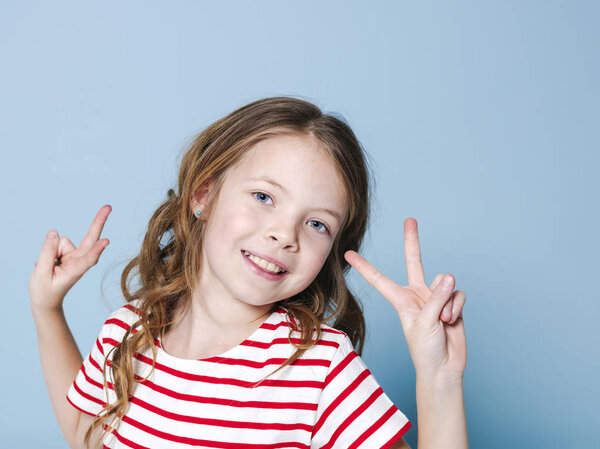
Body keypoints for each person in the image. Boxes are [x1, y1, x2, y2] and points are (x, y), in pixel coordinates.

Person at [29, 96, 468, 449]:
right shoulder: (128, 332)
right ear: (204, 195)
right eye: (263, 196)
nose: (284, 234)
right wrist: (47, 310)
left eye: (317, 224)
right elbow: (84, 435)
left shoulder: (320, 367)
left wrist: (439, 378)